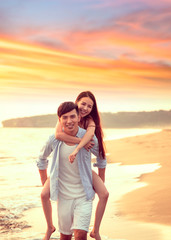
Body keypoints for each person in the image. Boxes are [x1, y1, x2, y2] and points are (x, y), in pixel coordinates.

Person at [41, 91, 109, 240]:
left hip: (83, 189)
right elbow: (56, 138)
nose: (85, 108)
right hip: (63, 191)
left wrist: (101, 180)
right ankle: (49, 227)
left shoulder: (90, 124)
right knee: (64, 235)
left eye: (89, 106)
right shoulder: (60, 127)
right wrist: (46, 181)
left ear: (78, 117)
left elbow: (101, 157)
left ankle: (95, 230)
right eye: (83, 104)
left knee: (80, 234)